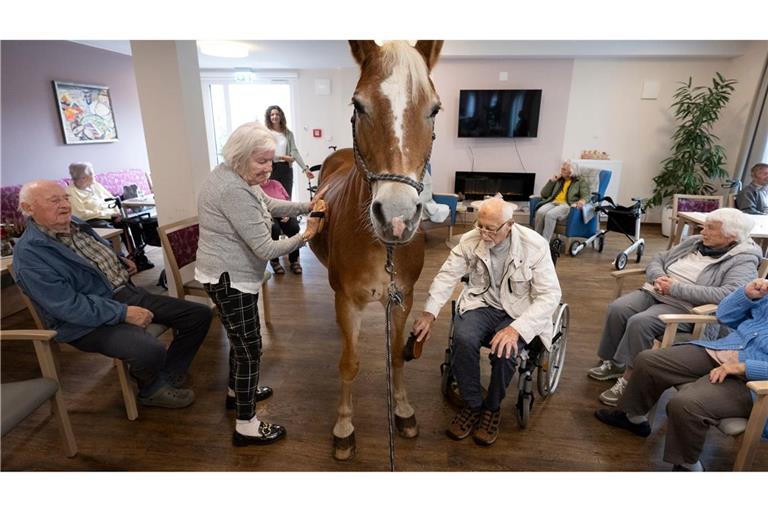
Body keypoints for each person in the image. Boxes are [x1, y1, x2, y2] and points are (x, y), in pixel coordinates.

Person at [13, 180, 212, 408]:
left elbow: (89, 257)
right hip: (84, 322)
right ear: (29, 209)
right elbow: (68, 306)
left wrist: (118, 261)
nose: (65, 205)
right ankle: (151, 390)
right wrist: (122, 313)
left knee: (199, 315)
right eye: (54, 200)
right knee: (148, 349)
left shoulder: (75, 223)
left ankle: (167, 374)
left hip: (125, 293)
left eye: (66, 198)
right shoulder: (30, 255)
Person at [195, 122, 326, 446]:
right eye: (262, 161)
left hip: (231, 275)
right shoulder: (232, 189)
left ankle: (235, 392)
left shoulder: (235, 175)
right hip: (231, 279)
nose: (269, 168)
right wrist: (307, 234)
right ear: (240, 156)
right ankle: (246, 424)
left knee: (240, 341)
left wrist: (306, 206)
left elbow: (268, 205)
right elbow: (266, 249)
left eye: (270, 160)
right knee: (250, 347)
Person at [411, 196, 561, 446]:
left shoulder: (534, 245)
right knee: (463, 339)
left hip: (518, 311)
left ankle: (492, 408)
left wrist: (516, 329)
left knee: (505, 351)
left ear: (509, 225)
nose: (483, 232)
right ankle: (472, 404)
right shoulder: (471, 239)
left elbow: (550, 295)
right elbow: (447, 275)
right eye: (480, 225)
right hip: (481, 303)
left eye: (490, 228)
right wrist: (429, 313)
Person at [588, 208, 761, 407]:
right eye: (704, 226)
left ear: (731, 235)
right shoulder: (696, 241)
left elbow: (728, 295)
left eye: (710, 228)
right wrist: (657, 277)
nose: (702, 231)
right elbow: (659, 258)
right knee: (618, 308)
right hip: (656, 291)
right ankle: (613, 363)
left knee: (640, 322)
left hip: (687, 307)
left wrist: (675, 289)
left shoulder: (744, 260)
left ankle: (630, 380)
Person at [595, 278, 768, 471]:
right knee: (648, 361)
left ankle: (688, 465)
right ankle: (633, 418)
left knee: (686, 404)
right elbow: (724, 316)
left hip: (755, 381)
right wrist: (745, 294)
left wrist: (746, 367)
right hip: (724, 350)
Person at [534, 160, 591, 242]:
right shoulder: (559, 180)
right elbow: (544, 194)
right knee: (540, 212)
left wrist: (582, 201)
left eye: (564, 169)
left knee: (550, 215)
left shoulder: (580, 181)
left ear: (571, 172)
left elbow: (586, 195)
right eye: (562, 168)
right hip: (553, 202)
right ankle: (536, 240)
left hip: (566, 204)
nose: (561, 171)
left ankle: (545, 243)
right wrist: (552, 181)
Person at [264, 105, 314, 199]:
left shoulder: (288, 134)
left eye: (277, 114)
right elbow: (265, 152)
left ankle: (287, 214)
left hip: (286, 168)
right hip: (272, 168)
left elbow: (294, 152)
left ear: (281, 116)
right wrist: (283, 157)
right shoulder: (266, 133)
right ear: (269, 117)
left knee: (287, 197)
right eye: (272, 115)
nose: (275, 116)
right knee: (273, 199)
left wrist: (305, 169)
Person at [259, 172, 302, 275]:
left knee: (294, 227)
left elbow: (287, 200)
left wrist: (288, 213)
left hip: (284, 213)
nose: (264, 176)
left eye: (265, 173)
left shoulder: (276, 184)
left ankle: (294, 260)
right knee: (274, 229)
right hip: (268, 215)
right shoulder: (256, 188)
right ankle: (274, 261)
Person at [65, 162, 120, 228]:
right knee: (108, 227)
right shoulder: (71, 192)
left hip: (110, 216)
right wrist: (109, 214)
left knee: (133, 222)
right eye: (91, 173)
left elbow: (113, 200)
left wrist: (118, 214)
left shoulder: (95, 185)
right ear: (82, 178)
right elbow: (80, 215)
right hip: (92, 221)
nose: (94, 175)